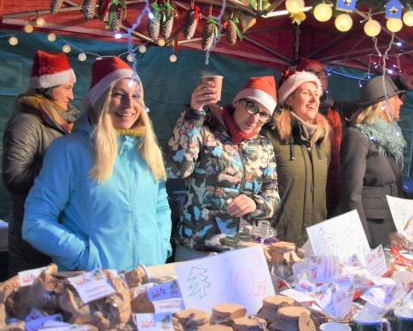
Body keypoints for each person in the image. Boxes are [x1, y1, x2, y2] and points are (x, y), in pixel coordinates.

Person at [22, 56, 171, 272]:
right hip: (97, 287)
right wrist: (86, 258)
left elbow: (160, 206)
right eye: (118, 95)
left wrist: (161, 247)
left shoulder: (147, 150)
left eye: (136, 96)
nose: (130, 105)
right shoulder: (69, 150)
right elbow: (35, 222)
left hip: (148, 279)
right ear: (99, 99)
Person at [167, 76, 281, 261]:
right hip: (198, 249)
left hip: (243, 251)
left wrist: (255, 204)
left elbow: (273, 197)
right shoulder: (205, 132)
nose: (255, 118)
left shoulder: (264, 146)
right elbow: (177, 169)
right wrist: (194, 112)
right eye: (252, 106)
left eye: (264, 114)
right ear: (237, 101)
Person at [295, 57, 413, 217]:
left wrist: (399, 83)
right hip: (303, 193)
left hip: (333, 191)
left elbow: (374, 101)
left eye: (321, 73)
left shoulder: (337, 108)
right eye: (311, 72)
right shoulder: (289, 117)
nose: (318, 77)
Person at [2, 50, 79, 277]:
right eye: (66, 87)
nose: (72, 95)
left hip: (61, 228)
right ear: (46, 87)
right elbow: (14, 179)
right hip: (33, 235)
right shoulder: (27, 122)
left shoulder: (65, 120)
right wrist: (59, 166)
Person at [263, 71, 332, 246]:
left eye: (316, 95)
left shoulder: (322, 140)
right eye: (306, 93)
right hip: (278, 240)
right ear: (288, 99)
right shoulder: (271, 135)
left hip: (314, 240)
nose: (314, 100)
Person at [340, 75, 408, 248]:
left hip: (393, 222)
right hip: (371, 226)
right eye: (395, 99)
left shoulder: (393, 136)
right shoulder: (357, 136)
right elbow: (351, 195)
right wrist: (362, 240)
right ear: (382, 104)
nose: (400, 103)